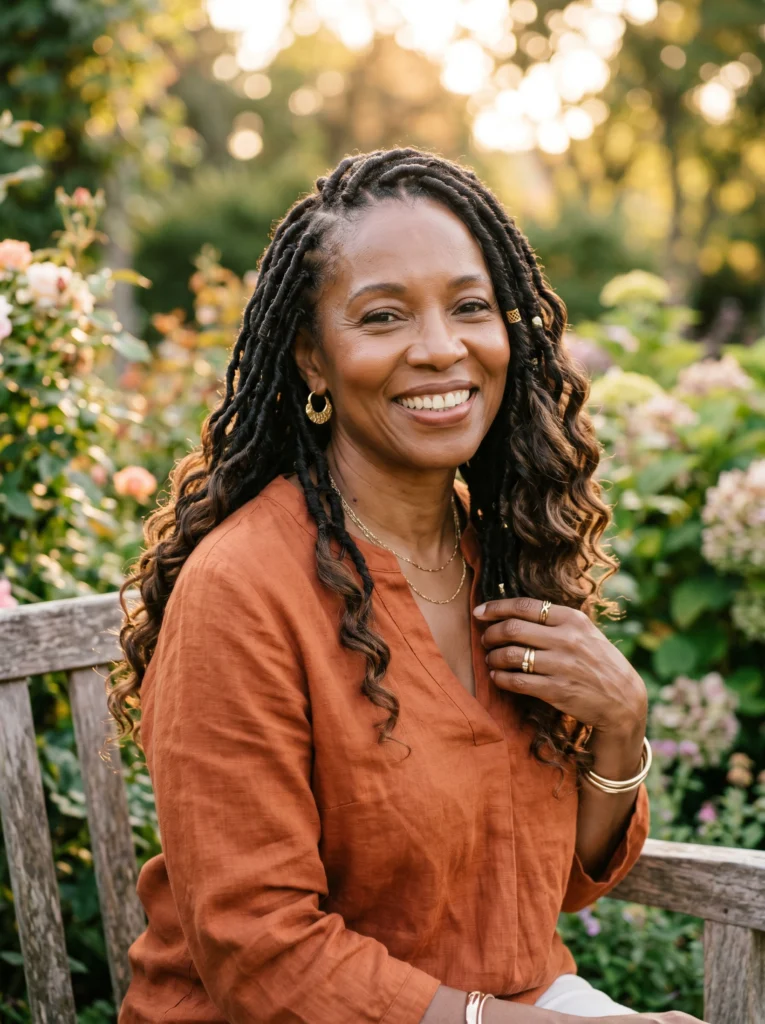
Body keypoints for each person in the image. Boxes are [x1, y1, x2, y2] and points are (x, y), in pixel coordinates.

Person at [111, 148, 704, 1024]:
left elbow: (550, 885)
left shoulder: (497, 555)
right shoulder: (242, 593)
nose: (440, 349)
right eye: (383, 317)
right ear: (312, 359)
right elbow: (263, 957)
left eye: (469, 307)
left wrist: (619, 726)